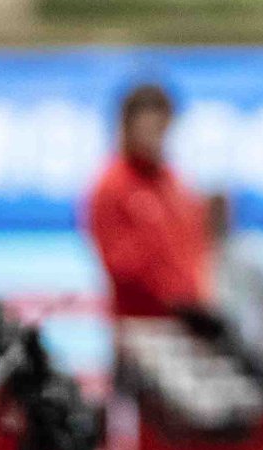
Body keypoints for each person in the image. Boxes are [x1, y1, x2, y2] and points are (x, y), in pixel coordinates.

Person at [84, 83, 217, 331]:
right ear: (127, 128)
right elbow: (121, 265)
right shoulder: (113, 186)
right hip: (141, 325)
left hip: (188, 321)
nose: (154, 138)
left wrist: (200, 298)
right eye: (146, 129)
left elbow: (195, 246)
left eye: (160, 129)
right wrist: (174, 296)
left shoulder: (174, 183)